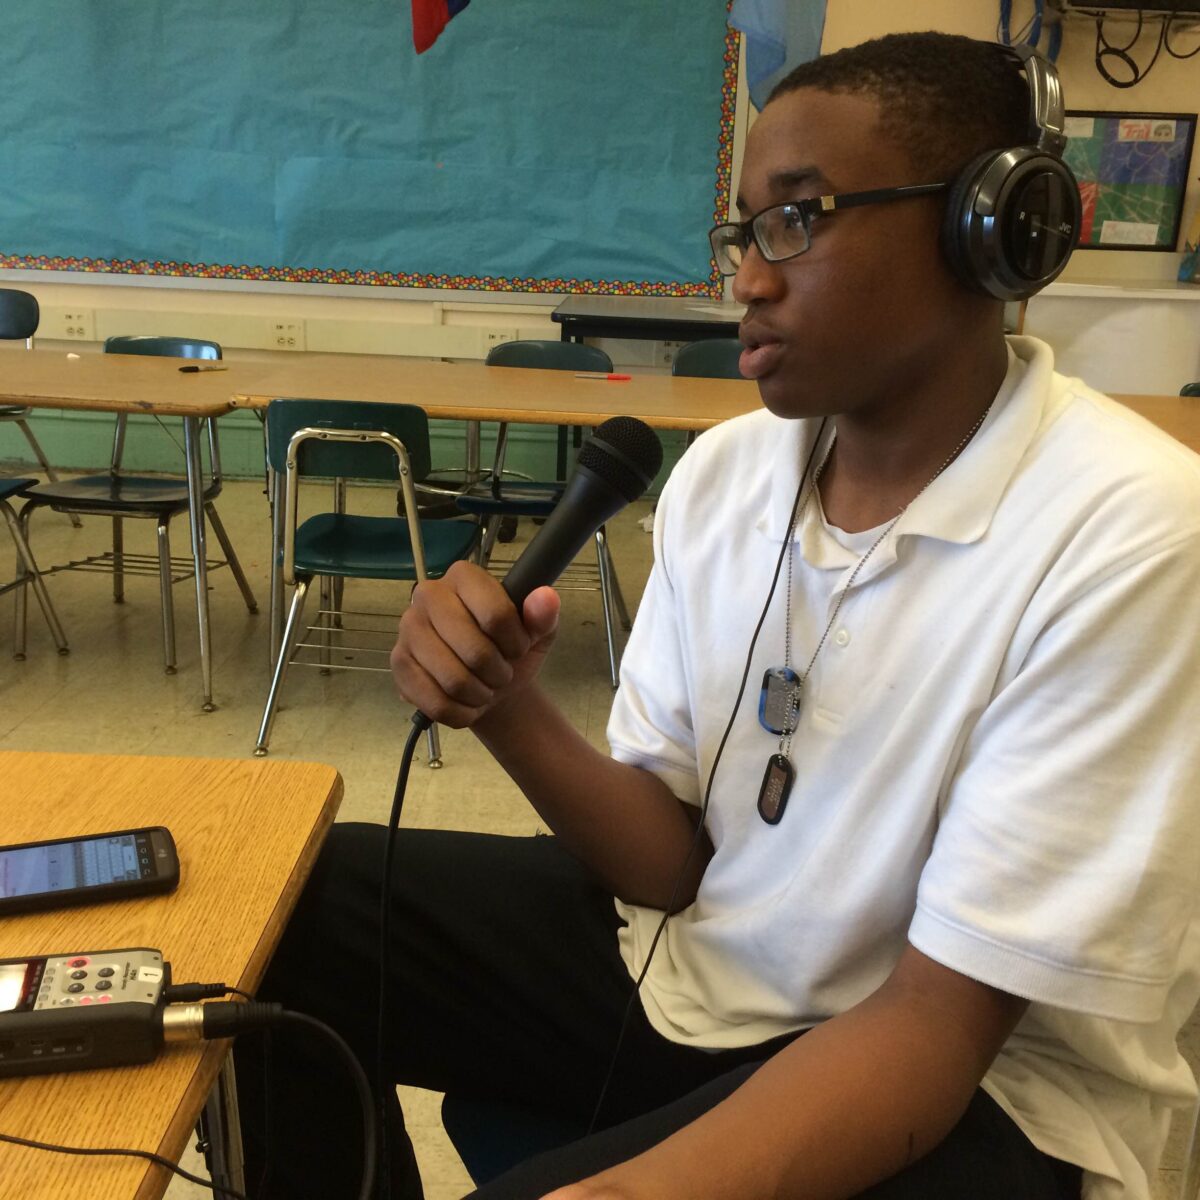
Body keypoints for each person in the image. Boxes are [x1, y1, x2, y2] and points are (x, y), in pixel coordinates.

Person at [236, 31, 1200, 1200]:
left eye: (801, 218)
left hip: (970, 1083)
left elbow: (936, 1027)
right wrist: (509, 708)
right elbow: (672, 867)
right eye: (743, 231)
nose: (746, 277)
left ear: (987, 232)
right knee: (296, 909)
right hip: (711, 976)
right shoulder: (729, 474)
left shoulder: (1133, 527)